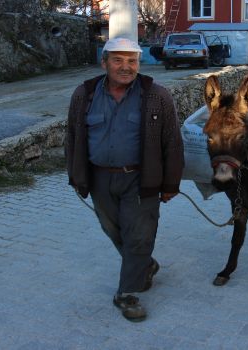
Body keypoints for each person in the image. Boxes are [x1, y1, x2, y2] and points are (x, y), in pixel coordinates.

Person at [65, 37, 184, 322]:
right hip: (99, 178)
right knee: (114, 231)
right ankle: (145, 265)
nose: (126, 67)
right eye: (117, 60)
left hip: (141, 179)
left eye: (132, 61)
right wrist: (76, 175)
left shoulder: (157, 95)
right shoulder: (85, 94)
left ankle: (127, 294)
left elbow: (172, 143)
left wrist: (170, 184)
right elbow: (72, 137)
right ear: (104, 62)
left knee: (140, 235)